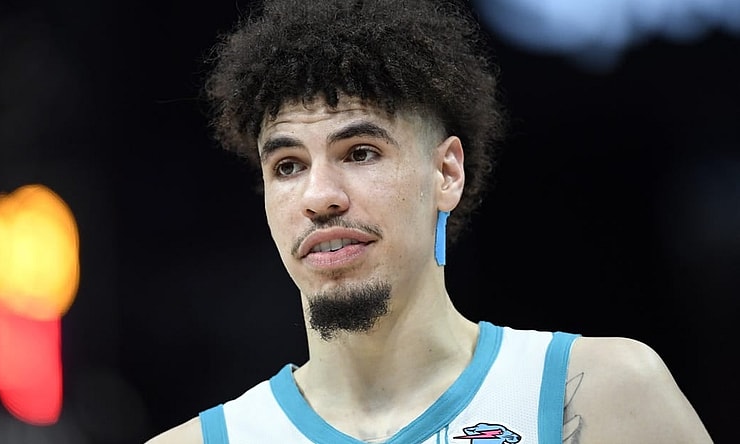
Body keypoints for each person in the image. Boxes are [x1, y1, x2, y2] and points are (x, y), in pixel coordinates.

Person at [146, 0, 713, 442]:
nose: (319, 197)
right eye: (288, 165)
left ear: (447, 174)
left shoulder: (601, 393)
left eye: (360, 152)